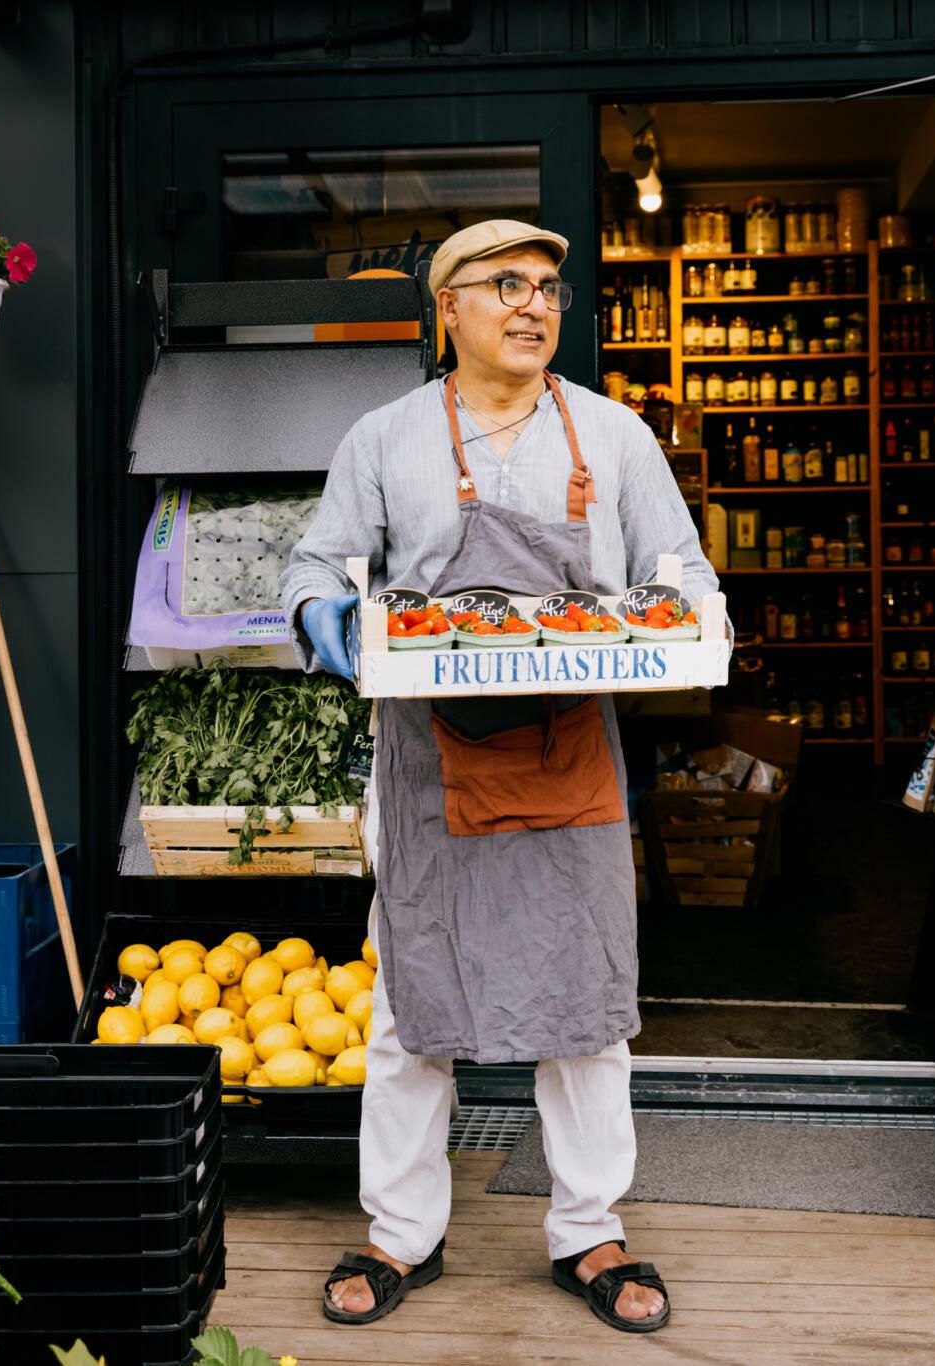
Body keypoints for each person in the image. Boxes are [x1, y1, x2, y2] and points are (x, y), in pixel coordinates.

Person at [280, 219, 718, 1335]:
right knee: (409, 999)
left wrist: (695, 619)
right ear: (449, 309)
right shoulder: (384, 438)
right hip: (431, 757)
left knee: (586, 1004)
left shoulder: (613, 436)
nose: (532, 306)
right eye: (505, 285)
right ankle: (399, 1231)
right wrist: (325, 613)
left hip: (571, 745)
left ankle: (588, 1227)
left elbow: (681, 571)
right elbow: (314, 562)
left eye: (548, 289)